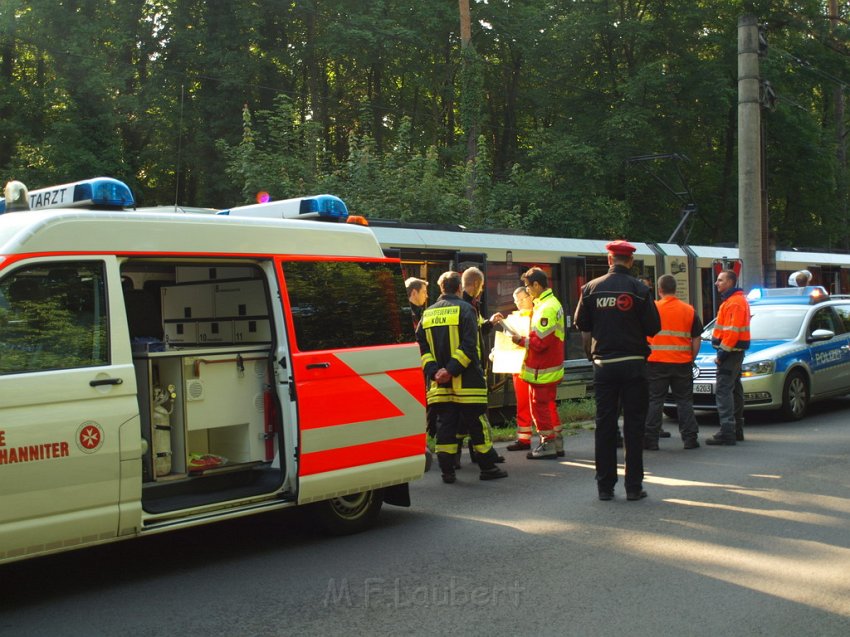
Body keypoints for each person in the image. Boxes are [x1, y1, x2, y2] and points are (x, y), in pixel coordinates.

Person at [574, 240, 661, 501]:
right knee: (634, 426)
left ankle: (605, 487)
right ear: (630, 261)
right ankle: (633, 487)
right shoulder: (639, 289)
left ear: (609, 260)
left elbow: (581, 323)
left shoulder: (590, 288)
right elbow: (653, 327)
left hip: (604, 366)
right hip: (634, 364)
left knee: (605, 425)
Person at [416, 271, 508, 483]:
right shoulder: (467, 310)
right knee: (478, 425)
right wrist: (451, 370)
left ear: (441, 289)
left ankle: (447, 471)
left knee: (445, 428)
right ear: (459, 288)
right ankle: (488, 468)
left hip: (439, 386)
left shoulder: (427, 314)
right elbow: (469, 347)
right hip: (468, 384)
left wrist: (435, 372)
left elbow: (422, 348)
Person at [505, 267, 566, 459]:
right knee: (548, 405)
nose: (528, 291)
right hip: (549, 366)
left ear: (537, 285)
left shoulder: (546, 307)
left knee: (539, 406)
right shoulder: (548, 303)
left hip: (543, 368)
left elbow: (540, 343)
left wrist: (518, 340)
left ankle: (547, 444)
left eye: (528, 287)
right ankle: (557, 442)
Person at [643, 274, 704, 450]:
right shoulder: (688, 310)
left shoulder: (652, 308)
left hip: (656, 363)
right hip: (682, 363)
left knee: (655, 401)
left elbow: (644, 336)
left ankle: (651, 440)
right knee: (684, 401)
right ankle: (690, 439)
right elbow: (696, 338)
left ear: (659, 289)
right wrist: (690, 358)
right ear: (675, 289)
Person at [706, 269, 750, 446]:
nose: (717, 283)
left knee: (724, 390)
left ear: (730, 282)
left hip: (730, 353)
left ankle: (727, 431)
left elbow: (731, 332)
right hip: (735, 352)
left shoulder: (734, 303)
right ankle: (736, 428)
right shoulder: (735, 301)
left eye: (720, 280)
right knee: (735, 389)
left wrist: (722, 353)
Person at [494, 286, 535, 451]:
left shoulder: (539, 315)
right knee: (523, 403)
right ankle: (524, 439)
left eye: (522, 299)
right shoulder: (515, 317)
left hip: (534, 364)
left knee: (538, 403)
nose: (518, 303)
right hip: (519, 365)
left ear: (530, 297)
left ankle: (548, 438)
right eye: (516, 300)